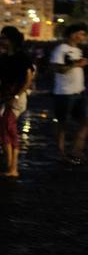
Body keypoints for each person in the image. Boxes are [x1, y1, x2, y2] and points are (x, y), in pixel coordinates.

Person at [0, 26, 35, 177]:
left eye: (4, 37)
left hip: (16, 97)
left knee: (9, 129)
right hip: (6, 97)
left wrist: (16, 95)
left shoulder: (22, 57)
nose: (1, 40)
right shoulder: (3, 57)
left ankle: (13, 167)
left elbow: (29, 77)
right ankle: (10, 165)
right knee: (4, 130)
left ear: (11, 40)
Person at [49, 24, 87, 163]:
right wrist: (77, 64)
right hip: (64, 92)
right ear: (72, 34)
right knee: (62, 124)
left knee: (85, 122)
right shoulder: (60, 49)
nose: (83, 37)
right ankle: (61, 152)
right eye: (81, 34)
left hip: (79, 91)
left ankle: (76, 150)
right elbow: (56, 69)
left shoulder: (78, 50)